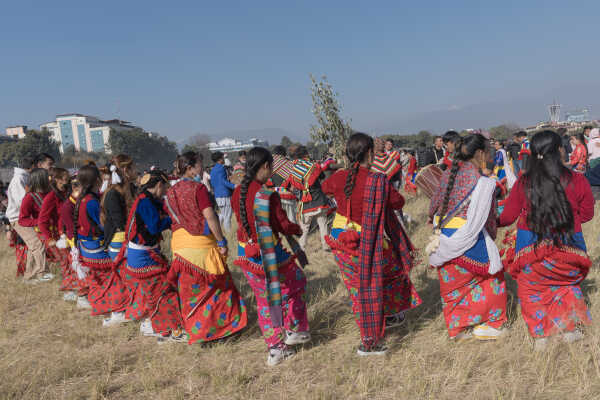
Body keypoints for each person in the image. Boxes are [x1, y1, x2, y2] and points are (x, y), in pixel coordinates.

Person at [322, 133, 422, 356]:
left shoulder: (339, 177)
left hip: (340, 240)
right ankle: (388, 318)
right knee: (393, 272)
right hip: (369, 240)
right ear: (370, 153)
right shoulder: (377, 180)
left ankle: (373, 329)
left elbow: (326, 187)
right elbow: (399, 201)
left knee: (358, 290)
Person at [498, 130, 594, 349]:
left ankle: (541, 336)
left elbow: (507, 217)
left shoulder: (524, 182)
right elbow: (587, 214)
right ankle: (569, 329)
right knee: (566, 286)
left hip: (532, 254)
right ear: (560, 150)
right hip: (570, 253)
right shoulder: (577, 179)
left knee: (531, 289)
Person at [232, 147, 310, 366]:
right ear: (265, 166)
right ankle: (294, 329)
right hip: (268, 253)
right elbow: (282, 224)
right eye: (271, 167)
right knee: (297, 282)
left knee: (264, 300)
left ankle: (276, 349)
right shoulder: (266, 194)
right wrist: (297, 229)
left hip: (246, 254)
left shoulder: (238, 192)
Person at [428, 134, 508, 341]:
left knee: (453, 287)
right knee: (493, 280)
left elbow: (433, 207)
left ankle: (457, 329)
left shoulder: (447, 175)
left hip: (443, 237)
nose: (490, 155)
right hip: (470, 237)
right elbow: (489, 219)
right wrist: (490, 239)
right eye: (489, 151)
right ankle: (490, 325)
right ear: (480, 153)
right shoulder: (483, 182)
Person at [165, 152, 247, 344]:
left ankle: (197, 333)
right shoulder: (198, 188)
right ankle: (222, 331)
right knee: (217, 289)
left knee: (191, 293)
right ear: (190, 168)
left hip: (180, 249)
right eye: (199, 165)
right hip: (201, 246)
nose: (201, 169)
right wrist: (221, 241)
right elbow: (210, 217)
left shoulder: (170, 192)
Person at [118, 170, 185, 342]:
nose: (166, 191)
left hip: (142, 253)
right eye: (165, 186)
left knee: (155, 292)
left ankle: (153, 324)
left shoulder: (147, 199)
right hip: (143, 255)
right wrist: (173, 219)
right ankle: (167, 331)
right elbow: (155, 227)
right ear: (159, 185)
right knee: (163, 291)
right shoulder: (146, 203)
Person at [74, 165, 129, 324]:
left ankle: (106, 313)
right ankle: (117, 311)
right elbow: (102, 225)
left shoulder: (82, 199)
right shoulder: (91, 202)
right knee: (114, 278)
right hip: (96, 250)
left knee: (99, 282)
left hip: (86, 248)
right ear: (96, 180)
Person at [38, 167, 74, 296]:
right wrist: (49, 238)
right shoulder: (51, 197)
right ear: (57, 180)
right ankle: (69, 291)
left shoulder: (67, 192)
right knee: (66, 263)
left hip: (69, 232)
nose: (68, 179)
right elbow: (42, 221)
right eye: (65, 177)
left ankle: (76, 287)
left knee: (73, 261)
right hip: (58, 237)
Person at [286, 146, 329, 251]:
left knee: (304, 228)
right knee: (323, 224)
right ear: (305, 155)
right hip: (319, 200)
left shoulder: (292, 169)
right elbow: (322, 176)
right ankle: (326, 245)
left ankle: (301, 247)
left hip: (305, 202)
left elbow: (290, 185)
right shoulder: (313, 166)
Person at [18, 168, 53, 283]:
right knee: (38, 248)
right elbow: (22, 220)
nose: (50, 179)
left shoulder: (51, 193)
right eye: (47, 177)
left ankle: (30, 277)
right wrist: (39, 222)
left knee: (35, 251)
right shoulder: (29, 198)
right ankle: (41, 274)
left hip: (53, 227)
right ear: (41, 180)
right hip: (40, 228)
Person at [100, 155, 137, 261]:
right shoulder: (113, 194)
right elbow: (120, 223)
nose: (136, 170)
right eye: (133, 167)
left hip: (131, 238)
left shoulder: (132, 188)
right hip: (120, 241)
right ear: (126, 170)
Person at [6, 156, 35, 277]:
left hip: (23, 217)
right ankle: (30, 275)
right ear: (32, 167)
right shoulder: (18, 179)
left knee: (35, 245)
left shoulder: (23, 178)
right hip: (19, 218)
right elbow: (22, 202)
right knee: (35, 244)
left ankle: (33, 273)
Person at [268, 146, 297, 223]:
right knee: (291, 219)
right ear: (284, 154)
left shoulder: (268, 166)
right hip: (288, 195)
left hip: (273, 195)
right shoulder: (290, 164)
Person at [210, 151, 236, 232]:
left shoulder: (213, 169)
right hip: (224, 194)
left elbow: (213, 183)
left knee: (223, 215)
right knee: (227, 216)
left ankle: (219, 229)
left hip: (218, 195)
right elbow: (223, 181)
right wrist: (234, 186)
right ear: (220, 159)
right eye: (223, 157)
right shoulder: (221, 168)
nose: (224, 159)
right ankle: (228, 233)